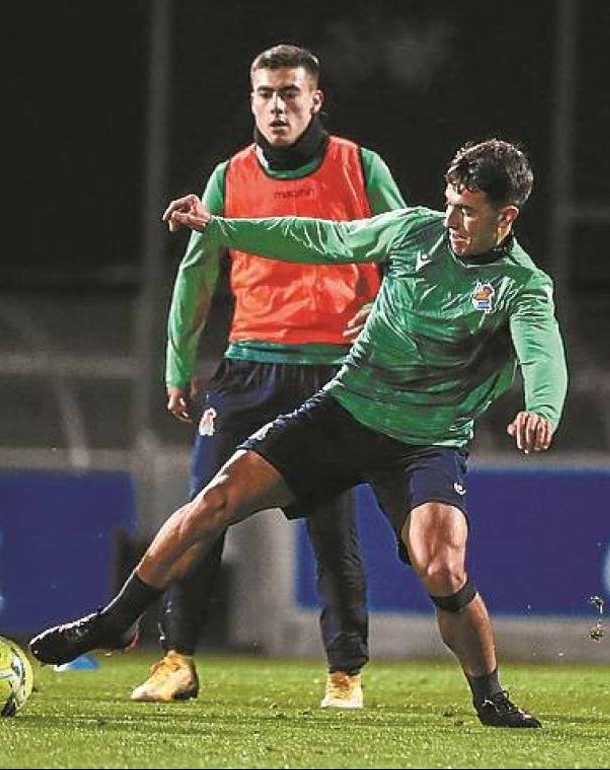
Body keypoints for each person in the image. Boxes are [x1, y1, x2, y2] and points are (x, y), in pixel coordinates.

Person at [32, 139, 566, 728]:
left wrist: (541, 406)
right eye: (449, 203)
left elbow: (544, 357)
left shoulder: (523, 285)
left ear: (506, 216)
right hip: (343, 412)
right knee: (215, 500)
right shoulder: (416, 231)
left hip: (427, 442)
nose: (452, 219)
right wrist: (221, 227)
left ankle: (489, 695)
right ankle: (116, 620)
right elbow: (320, 237)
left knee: (440, 567)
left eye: (467, 210)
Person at [136, 44, 406, 709]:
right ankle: (177, 661)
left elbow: (411, 252)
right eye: (264, 94)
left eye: (289, 93)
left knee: (331, 527)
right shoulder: (229, 176)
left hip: (332, 374)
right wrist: (177, 364)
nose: (277, 106)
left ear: (316, 99)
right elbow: (197, 275)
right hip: (248, 368)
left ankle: (345, 675)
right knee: (200, 514)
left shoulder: (360, 167)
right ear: (251, 101)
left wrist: (388, 304)